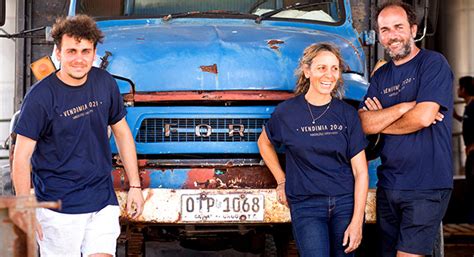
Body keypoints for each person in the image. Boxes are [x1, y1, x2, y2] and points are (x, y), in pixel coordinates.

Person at [11, 15, 144, 257]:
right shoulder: (41, 97)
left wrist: (134, 185)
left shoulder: (105, 83)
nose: (79, 59)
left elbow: (122, 133)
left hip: (102, 200)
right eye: (71, 51)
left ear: (95, 54)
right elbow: (21, 157)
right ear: (58, 53)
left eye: (85, 51)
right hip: (58, 209)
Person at [358, 1, 454, 256]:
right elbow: (364, 123)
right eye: (385, 30)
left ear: (413, 29)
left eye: (398, 27)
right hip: (389, 185)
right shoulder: (381, 76)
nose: (392, 36)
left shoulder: (433, 64)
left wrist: (382, 122)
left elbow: (423, 118)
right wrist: (403, 108)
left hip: (426, 184)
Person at [258, 43, 369, 257]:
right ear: (307, 71)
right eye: (321, 68)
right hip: (307, 205)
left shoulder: (347, 114)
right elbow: (264, 143)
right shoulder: (287, 112)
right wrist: (281, 180)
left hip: (345, 204)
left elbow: (361, 172)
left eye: (334, 68)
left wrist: (357, 221)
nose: (329, 75)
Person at [455, 76, 474, 222]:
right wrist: (456, 116)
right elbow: (468, 122)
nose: (457, 89)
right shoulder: (469, 106)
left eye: (459, 86)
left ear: (463, 89)